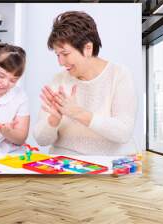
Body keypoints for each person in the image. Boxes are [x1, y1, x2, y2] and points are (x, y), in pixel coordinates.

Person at [33, 11, 137, 156]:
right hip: (66, 164)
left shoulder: (119, 75)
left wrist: (78, 113)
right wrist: (53, 120)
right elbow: (41, 140)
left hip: (111, 165)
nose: (61, 62)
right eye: (57, 55)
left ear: (88, 48)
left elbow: (123, 132)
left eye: (65, 54)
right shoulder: (59, 80)